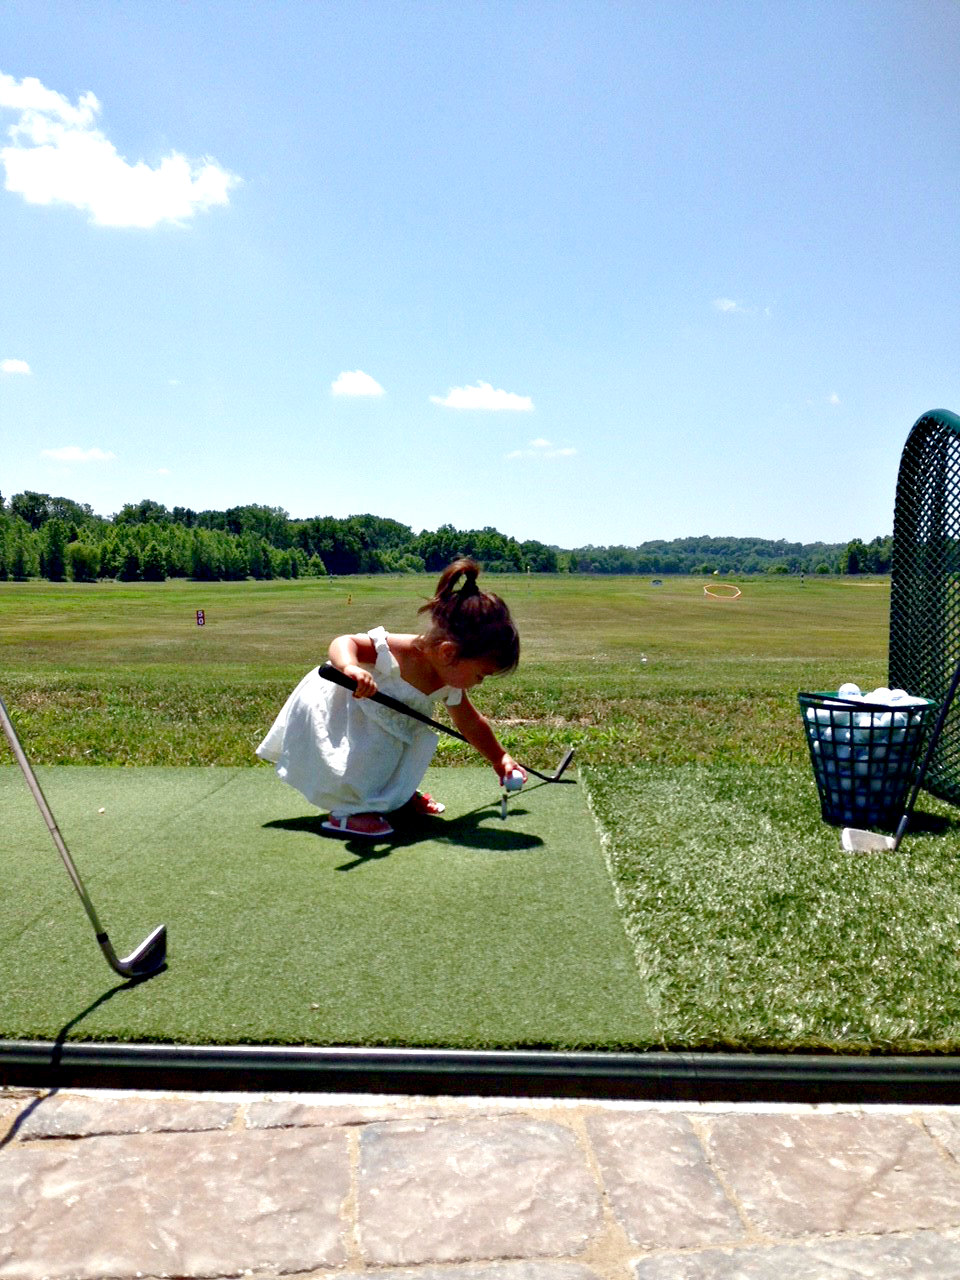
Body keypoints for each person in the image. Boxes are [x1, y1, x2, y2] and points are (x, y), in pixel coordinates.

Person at [256, 558, 525, 838]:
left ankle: (393, 795)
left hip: (379, 727)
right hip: (342, 706)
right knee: (361, 760)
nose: (478, 683)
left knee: (393, 749)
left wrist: (500, 758)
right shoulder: (395, 651)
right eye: (481, 675)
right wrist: (349, 668)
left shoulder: (449, 678)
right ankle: (350, 812)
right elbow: (344, 642)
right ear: (448, 653)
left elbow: (470, 723)